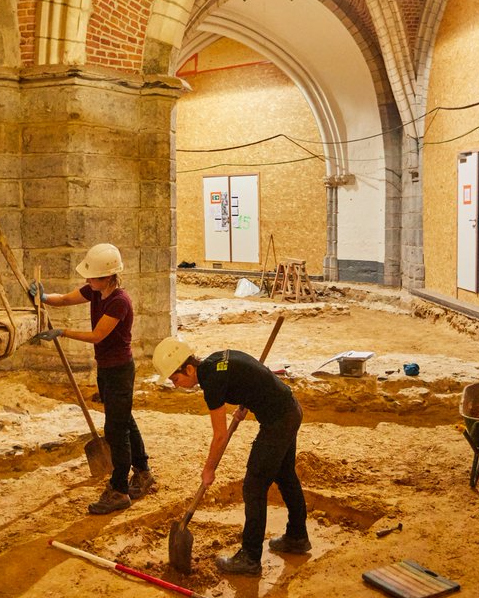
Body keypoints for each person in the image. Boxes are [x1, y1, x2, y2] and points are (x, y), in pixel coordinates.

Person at [152, 336, 310, 575]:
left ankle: (249, 558)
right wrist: (246, 400)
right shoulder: (215, 362)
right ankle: (297, 537)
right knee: (285, 475)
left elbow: (219, 437)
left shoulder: (212, 382)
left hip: (278, 421)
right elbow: (250, 377)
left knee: (254, 486)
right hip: (289, 409)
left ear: (189, 368)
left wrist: (209, 470)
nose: (176, 385)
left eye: (176, 379)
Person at [33, 243, 155, 514]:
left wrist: (62, 332)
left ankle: (119, 489)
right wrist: (44, 297)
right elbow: (64, 298)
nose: (87, 280)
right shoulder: (95, 291)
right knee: (123, 420)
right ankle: (143, 471)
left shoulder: (119, 301)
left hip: (120, 370)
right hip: (107, 368)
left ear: (109, 276)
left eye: (93, 276)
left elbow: (97, 336)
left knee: (115, 430)